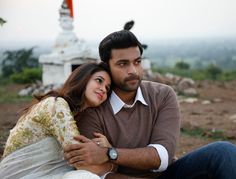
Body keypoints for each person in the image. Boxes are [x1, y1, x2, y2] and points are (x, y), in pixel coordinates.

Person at [64, 30, 236, 179]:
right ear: (106, 67)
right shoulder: (93, 107)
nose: (133, 70)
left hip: (168, 175)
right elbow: (97, 172)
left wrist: (110, 153)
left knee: (222, 152)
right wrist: (103, 157)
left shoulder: (163, 95)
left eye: (137, 62)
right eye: (123, 64)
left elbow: (161, 158)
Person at [0, 62, 115, 179]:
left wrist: (107, 154)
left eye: (107, 88)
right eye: (99, 80)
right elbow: (85, 165)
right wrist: (110, 155)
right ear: (83, 79)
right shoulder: (56, 105)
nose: (104, 90)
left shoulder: (77, 116)